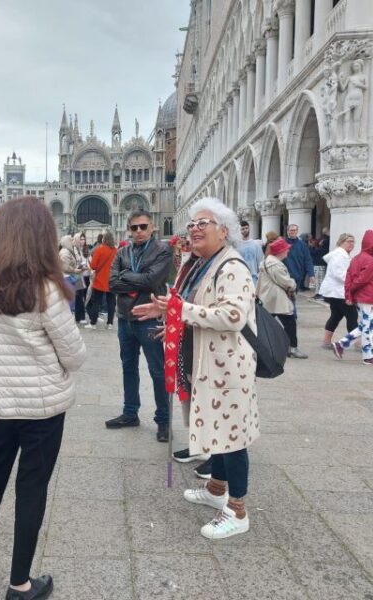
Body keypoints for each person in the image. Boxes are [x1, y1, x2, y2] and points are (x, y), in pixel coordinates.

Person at [0, 196, 86, 600]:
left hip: (0, 404)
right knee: (32, 486)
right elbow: (75, 354)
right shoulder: (45, 288)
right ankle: (20, 583)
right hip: (42, 408)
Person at [133, 197, 259, 540]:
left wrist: (180, 310)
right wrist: (168, 318)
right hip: (206, 360)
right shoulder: (201, 263)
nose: (195, 229)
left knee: (232, 436)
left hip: (227, 366)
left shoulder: (231, 265)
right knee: (217, 429)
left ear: (224, 230)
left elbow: (233, 316)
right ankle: (217, 488)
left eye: (204, 223)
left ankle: (238, 510)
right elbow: (192, 307)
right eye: (192, 223)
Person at [105, 209, 172, 442]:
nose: (139, 231)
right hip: (125, 318)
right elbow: (111, 283)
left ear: (152, 227)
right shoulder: (123, 251)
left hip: (149, 320)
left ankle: (163, 421)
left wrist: (127, 275)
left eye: (143, 226)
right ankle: (130, 413)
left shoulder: (162, 249)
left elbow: (153, 280)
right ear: (129, 229)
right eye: (134, 228)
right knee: (128, 367)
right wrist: (138, 279)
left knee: (157, 371)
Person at [332, 230, 373, 367]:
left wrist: (349, 295)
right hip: (368, 296)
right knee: (368, 327)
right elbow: (362, 280)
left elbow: (349, 278)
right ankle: (368, 356)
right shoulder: (371, 260)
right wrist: (350, 293)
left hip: (362, 297)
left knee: (365, 325)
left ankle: (342, 344)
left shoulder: (357, 258)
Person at [258, 239, 308, 358]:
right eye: (286, 249)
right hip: (277, 298)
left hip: (267, 297)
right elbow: (286, 282)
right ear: (281, 251)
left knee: (265, 325)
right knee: (290, 323)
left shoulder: (266, 262)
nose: (288, 250)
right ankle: (292, 348)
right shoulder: (275, 264)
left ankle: (263, 347)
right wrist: (293, 284)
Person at [320, 234, 358, 349]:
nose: (351, 244)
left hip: (337, 291)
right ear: (341, 242)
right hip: (339, 292)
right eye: (348, 241)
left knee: (336, 315)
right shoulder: (339, 256)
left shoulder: (341, 254)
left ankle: (326, 342)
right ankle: (358, 344)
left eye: (353, 241)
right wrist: (355, 282)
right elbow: (339, 274)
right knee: (352, 316)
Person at [85, 230, 117, 329]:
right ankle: (110, 323)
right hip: (112, 279)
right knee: (111, 302)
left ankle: (93, 323)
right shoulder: (115, 250)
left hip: (100, 279)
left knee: (96, 302)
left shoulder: (100, 249)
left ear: (104, 239)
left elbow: (94, 265)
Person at [283, 224, 314, 291]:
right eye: (291, 230)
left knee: (293, 297)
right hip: (285, 275)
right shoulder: (283, 243)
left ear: (297, 231)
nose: (293, 232)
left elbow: (308, 260)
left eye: (295, 230)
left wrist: (311, 274)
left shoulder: (302, 245)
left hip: (298, 276)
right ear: (288, 231)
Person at [58, 234, 83, 313]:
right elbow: (65, 267)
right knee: (70, 300)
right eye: (71, 240)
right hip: (67, 278)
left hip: (70, 277)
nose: (73, 241)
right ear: (67, 242)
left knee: (72, 299)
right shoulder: (65, 252)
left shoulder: (68, 251)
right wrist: (75, 270)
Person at [73, 232, 91, 324]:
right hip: (79, 276)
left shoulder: (86, 249)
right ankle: (80, 317)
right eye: (81, 239)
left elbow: (90, 260)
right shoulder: (74, 250)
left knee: (85, 296)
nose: (82, 241)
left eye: (84, 239)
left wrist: (89, 265)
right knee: (79, 297)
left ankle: (82, 316)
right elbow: (74, 263)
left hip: (87, 275)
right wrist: (80, 267)